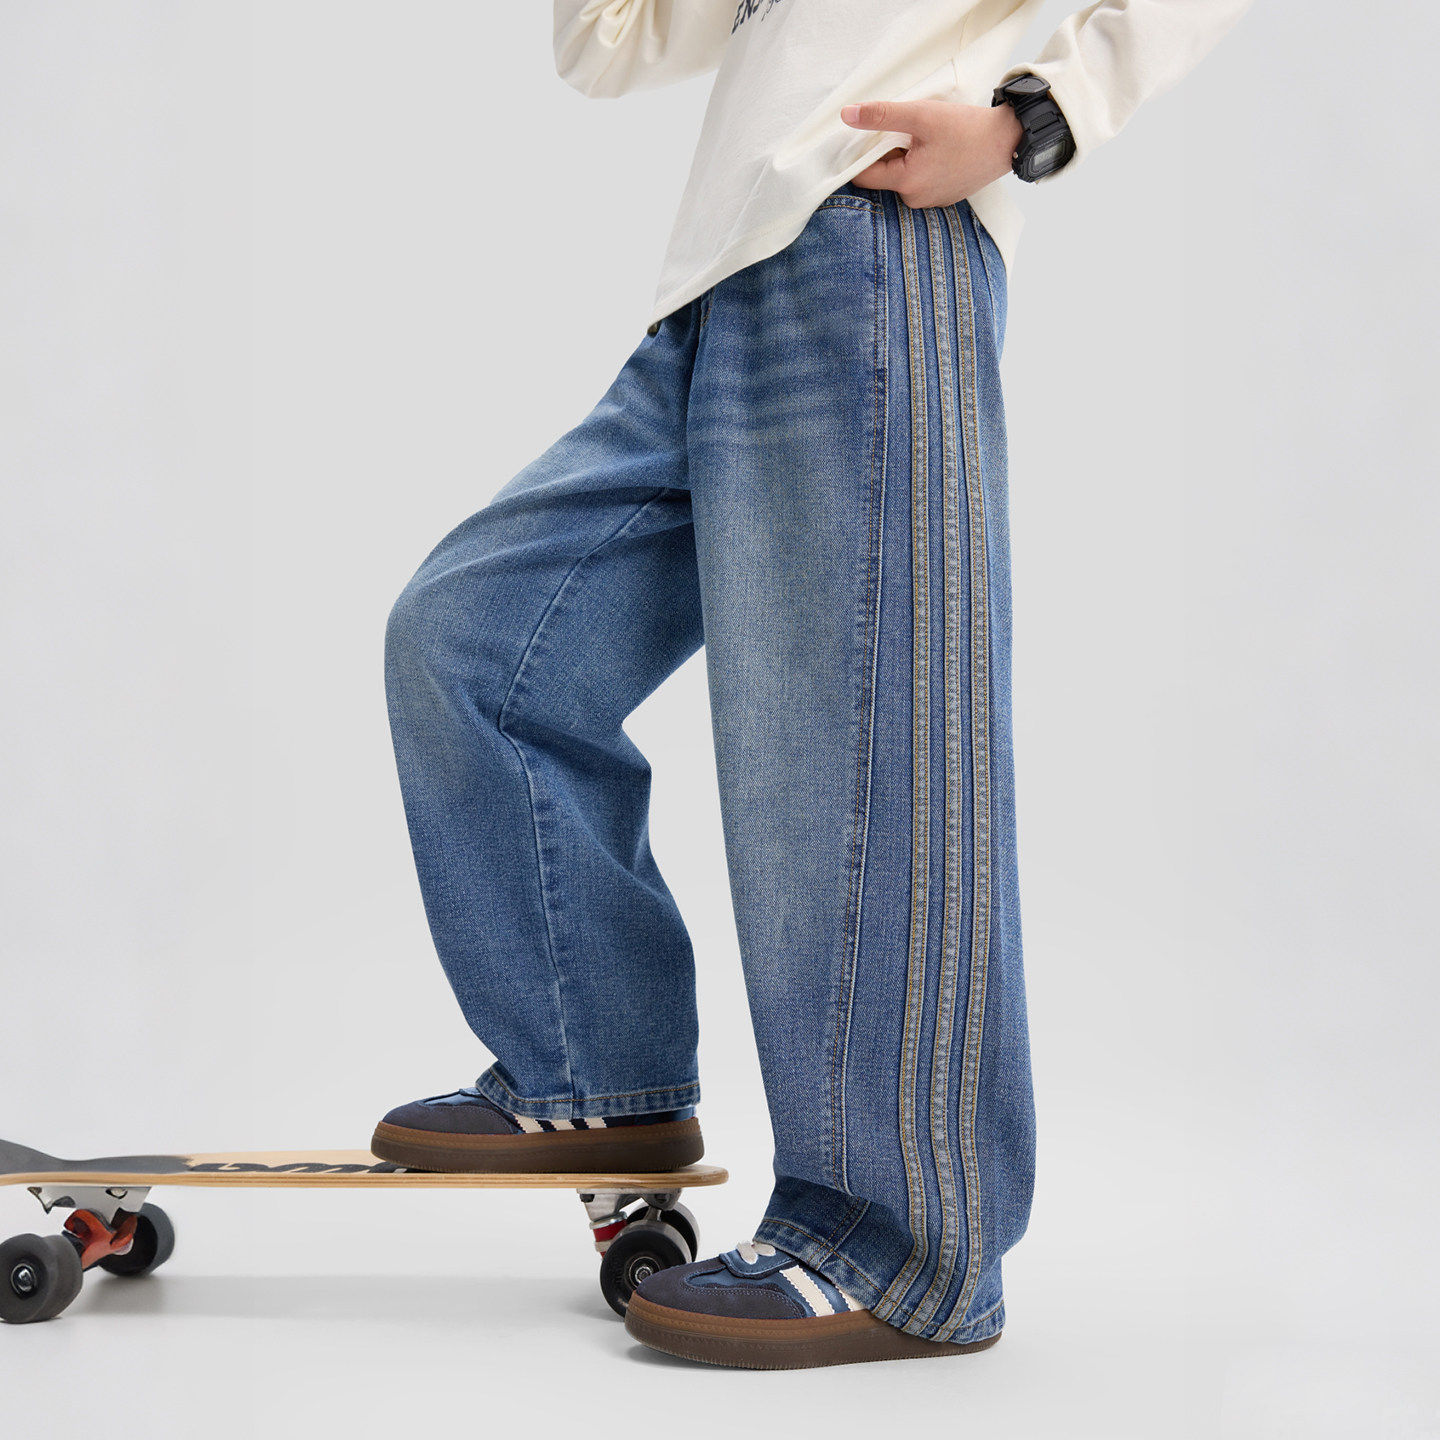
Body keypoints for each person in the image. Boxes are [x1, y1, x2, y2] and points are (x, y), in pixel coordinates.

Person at [373, 0, 1253, 1370]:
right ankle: (594, 1078)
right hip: (717, 287)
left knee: (857, 760)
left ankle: (900, 1244)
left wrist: (1031, 119)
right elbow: (608, 45)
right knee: (473, 646)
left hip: (874, 250)